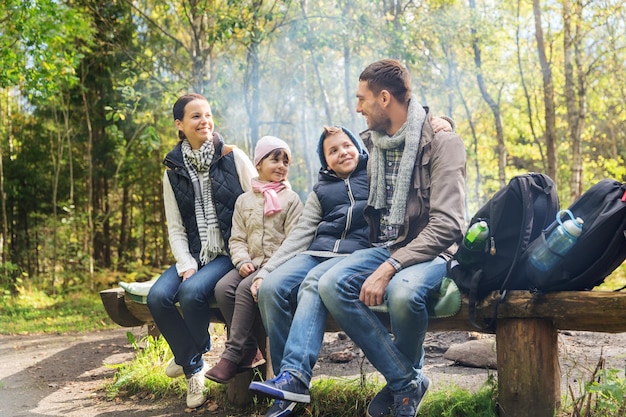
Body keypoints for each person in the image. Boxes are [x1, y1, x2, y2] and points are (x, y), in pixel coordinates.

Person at [255, 59, 466, 417]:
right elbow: (343, 165)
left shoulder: (441, 142)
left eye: (361, 99)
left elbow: (448, 224)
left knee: (402, 293)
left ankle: (403, 385)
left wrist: (391, 266)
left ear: (384, 98)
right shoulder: (375, 143)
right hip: (388, 246)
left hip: (431, 249)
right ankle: (406, 382)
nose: (357, 109)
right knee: (328, 284)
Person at [246, 126, 370, 416]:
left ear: (358, 147)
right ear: (325, 161)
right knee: (272, 288)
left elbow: (394, 132)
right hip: (316, 252)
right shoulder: (321, 190)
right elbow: (301, 234)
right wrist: (267, 271)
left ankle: (295, 378)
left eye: (346, 145)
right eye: (333, 150)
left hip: (354, 255)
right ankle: (286, 386)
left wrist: (440, 123)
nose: (342, 153)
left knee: (310, 286)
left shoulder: (374, 175)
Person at [146, 93, 257, 409]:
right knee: (157, 297)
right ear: (179, 124)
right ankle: (193, 360)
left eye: (207, 114)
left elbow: (257, 204)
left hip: (229, 252)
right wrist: (185, 262)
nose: (205, 121)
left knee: (192, 292)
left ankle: (189, 359)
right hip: (194, 252)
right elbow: (175, 227)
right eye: (196, 116)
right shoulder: (172, 171)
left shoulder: (233, 156)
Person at [206, 136, 304, 383]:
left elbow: (295, 242)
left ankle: (231, 356)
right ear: (259, 163)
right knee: (222, 287)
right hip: (251, 263)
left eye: (286, 162)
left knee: (242, 290)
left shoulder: (290, 200)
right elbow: (237, 238)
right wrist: (241, 261)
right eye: (275, 159)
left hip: (278, 266)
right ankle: (249, 348)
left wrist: (267, 269)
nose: (281, 166)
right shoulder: (244, 200)